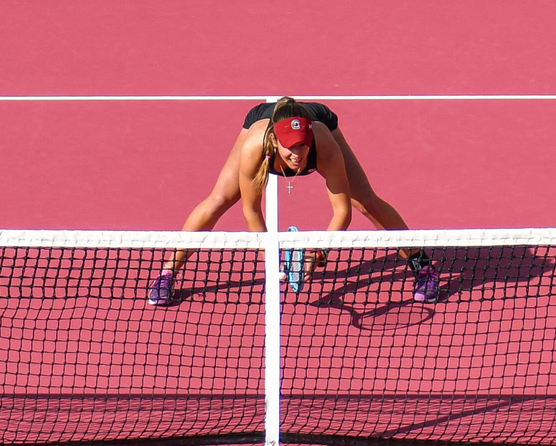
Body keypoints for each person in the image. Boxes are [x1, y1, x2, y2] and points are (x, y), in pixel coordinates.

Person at [147, 96, 439, 306]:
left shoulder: (323, 144)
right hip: (261, 119)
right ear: (275, 143)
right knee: (220, 198)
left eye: (302, 146)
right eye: (289, 149)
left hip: (318, 116)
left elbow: (343, 212)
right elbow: (251, 210)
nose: (297, 155)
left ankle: (423, 265)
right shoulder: (255, 147)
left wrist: (319, 252)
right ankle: (167, 272)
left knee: (365, 200)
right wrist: (271, 258)